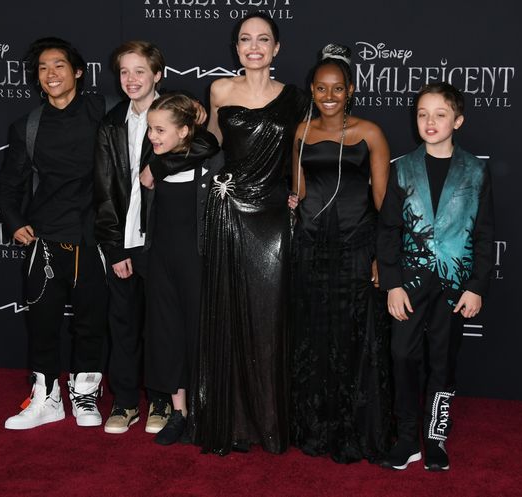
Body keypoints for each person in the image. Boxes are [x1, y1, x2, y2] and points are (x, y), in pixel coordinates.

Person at [188, 11, 308, 456]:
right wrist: (162, 162)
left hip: (273, 215)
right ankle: (234, 422)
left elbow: (303, 153)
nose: (253, 47)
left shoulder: (295, 98)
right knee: (229, 314)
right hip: (229, 209)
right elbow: (210, 143)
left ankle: (271, 421)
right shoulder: (219, 90)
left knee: (269, 317)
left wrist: (298, 194)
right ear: (236, 47)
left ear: (277, 48)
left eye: (262, 39)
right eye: (245, 39)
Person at [377, 82, 494, 471]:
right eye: (422, 114)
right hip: (409, 282)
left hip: (454, 284)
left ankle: (435, 438)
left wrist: (476, 286)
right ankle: (407, 438)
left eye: (440, 114)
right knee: (401, 355)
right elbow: (388, 230)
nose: (430, 122)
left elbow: (484, 233)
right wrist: (392, 283)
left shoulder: (476, 171)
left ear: (457, 121)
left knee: (442, 361)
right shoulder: (402, 168)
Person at [287, 44, 392, 464]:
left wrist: (383, 256)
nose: (329, 96)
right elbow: (299, 190)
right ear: (311, 90)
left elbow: (383, 201)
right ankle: (316, 427)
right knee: (313, 334)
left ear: (350, 90)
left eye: (337, 88)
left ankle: (353, 429)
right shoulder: (301, 131)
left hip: (355, 245)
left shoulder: (371, 133)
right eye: (321, 88)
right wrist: (291, 202)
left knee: (353, 336)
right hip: (311, 247)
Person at [0, 37, 108, 430]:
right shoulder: (27, 126)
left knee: (91, 324)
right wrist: (14, 222)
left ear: (78, 71)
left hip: (93, 239)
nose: (51, 73)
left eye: (59, 65)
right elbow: (8, 185)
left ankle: (85, 392)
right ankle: (46, 398)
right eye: (43, 68)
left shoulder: (105, 111)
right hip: (44, 240)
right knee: (43, 325)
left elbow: (153, 112)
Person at [93, 41, 173, 435]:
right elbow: (104, 188)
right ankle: (125, 402)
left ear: (158, 74)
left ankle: (161, 399)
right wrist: (114, 247)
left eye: (140, 71)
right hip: (124, 240)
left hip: (164, 241)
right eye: (124, 72)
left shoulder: (175, 114)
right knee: (122, 323)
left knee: (161, 325)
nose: (131, 79)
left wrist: (162, 164)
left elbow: (204, 150)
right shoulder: (111, 123)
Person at [137, 93, 222, 445]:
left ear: (184, 131)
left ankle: (206, 412)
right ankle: (178, 413)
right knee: (168, 335)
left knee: (200, 334)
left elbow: (209, 145)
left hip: (198, 260)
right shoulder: (152, 162)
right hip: (161, 261)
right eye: (150, 129)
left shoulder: (211, 163)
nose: (152, 136)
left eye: (160, 130)